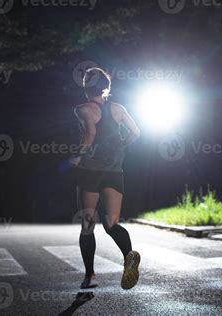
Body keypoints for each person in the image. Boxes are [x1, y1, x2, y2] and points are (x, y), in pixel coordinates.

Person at [70, 67, 141, 290]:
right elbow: (136, 133)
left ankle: (90, 276)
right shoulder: (119, 109)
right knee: (111, 224)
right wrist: (120, 145)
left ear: (85, 87)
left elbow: (90, 134)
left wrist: (77, 157)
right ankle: (128, 257)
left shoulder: (82, 109)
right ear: (105, 86)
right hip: (114, 173)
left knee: (88, 225)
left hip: (90, 172)